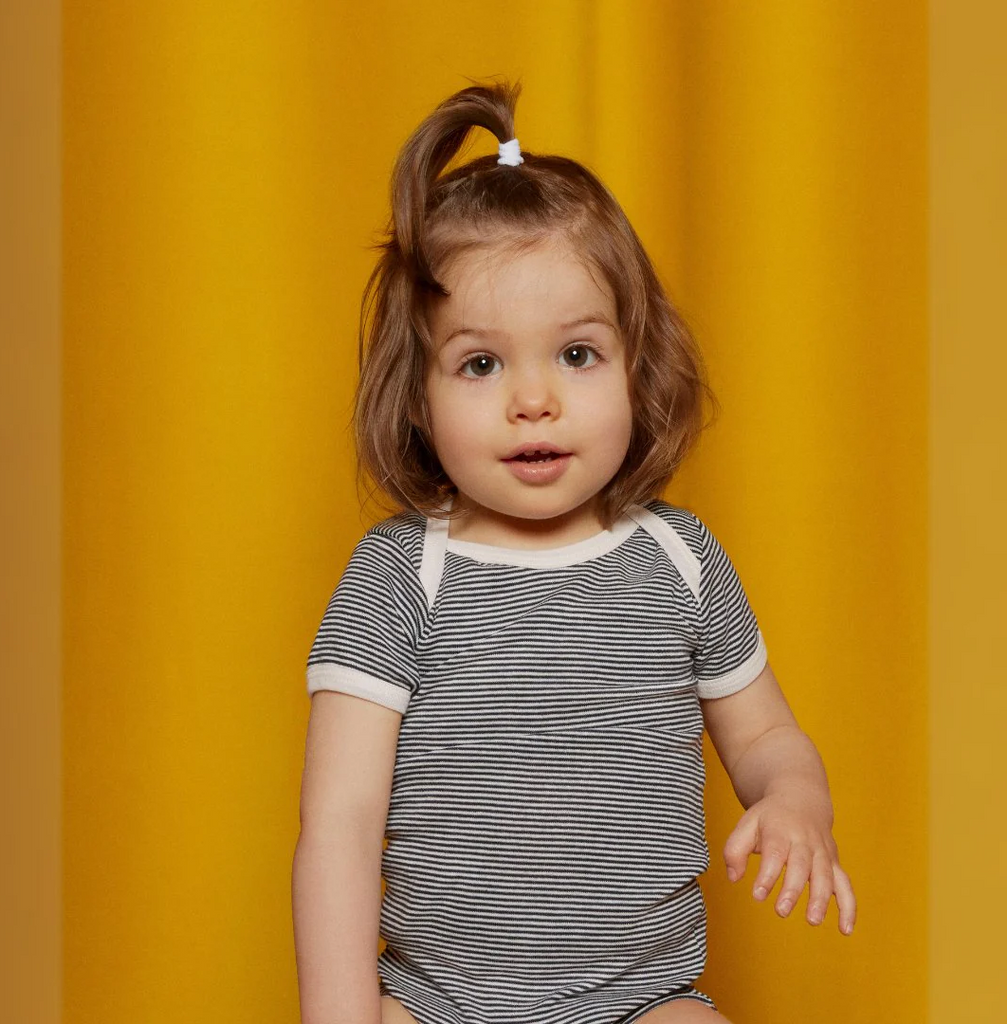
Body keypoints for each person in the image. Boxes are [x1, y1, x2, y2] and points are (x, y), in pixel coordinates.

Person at [292, 79, 856, 1024]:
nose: (533, 400)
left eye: (578, 354)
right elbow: (339, 827)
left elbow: (763, 736)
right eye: (480, 363)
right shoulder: (400, 579)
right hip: (440, 1005)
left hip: (642, 1003)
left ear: (640, 362)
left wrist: (799, 800)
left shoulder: (678, 558)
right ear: (417, 394)